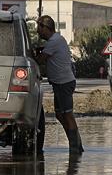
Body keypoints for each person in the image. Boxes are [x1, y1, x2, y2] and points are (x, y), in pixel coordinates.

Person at [33, 15, 83, 153]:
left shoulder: (54, 42)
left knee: (67, 115)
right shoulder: (56, 40)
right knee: (60, 115)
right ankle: (76, 143)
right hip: (59, 83)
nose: (38, 31)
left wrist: (33, 55)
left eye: (39, 28)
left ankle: (76, 147)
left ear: (46, 27)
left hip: (64, 83)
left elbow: (40, 60)